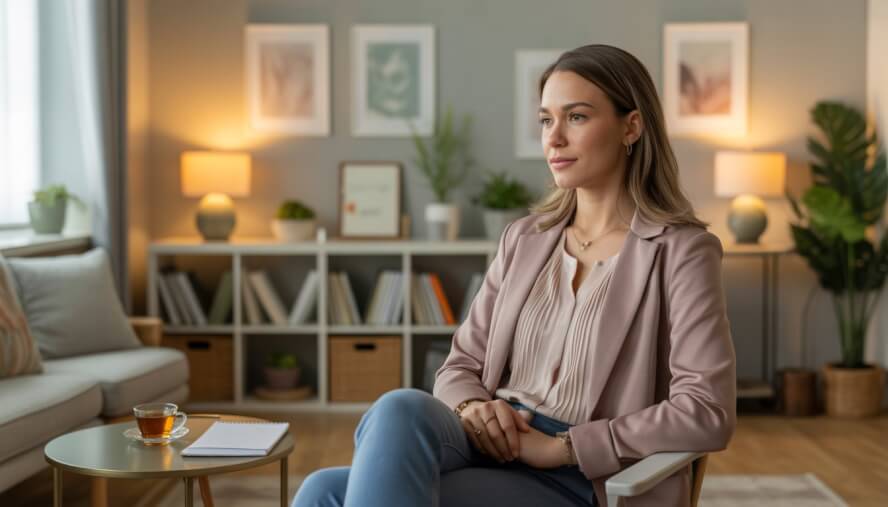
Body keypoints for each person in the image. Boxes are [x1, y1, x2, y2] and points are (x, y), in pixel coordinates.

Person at [292, 44, 736, 507]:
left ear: (632, 126)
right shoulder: (523, 239)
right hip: (489, 442)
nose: (554, 138)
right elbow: (460, 365)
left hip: (580, 478)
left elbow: (707, 411)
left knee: (324, 492)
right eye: (546, 120)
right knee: (398, 407)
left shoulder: (682, 251)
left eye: (577, 117)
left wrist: (564, 447)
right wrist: (473, 408)